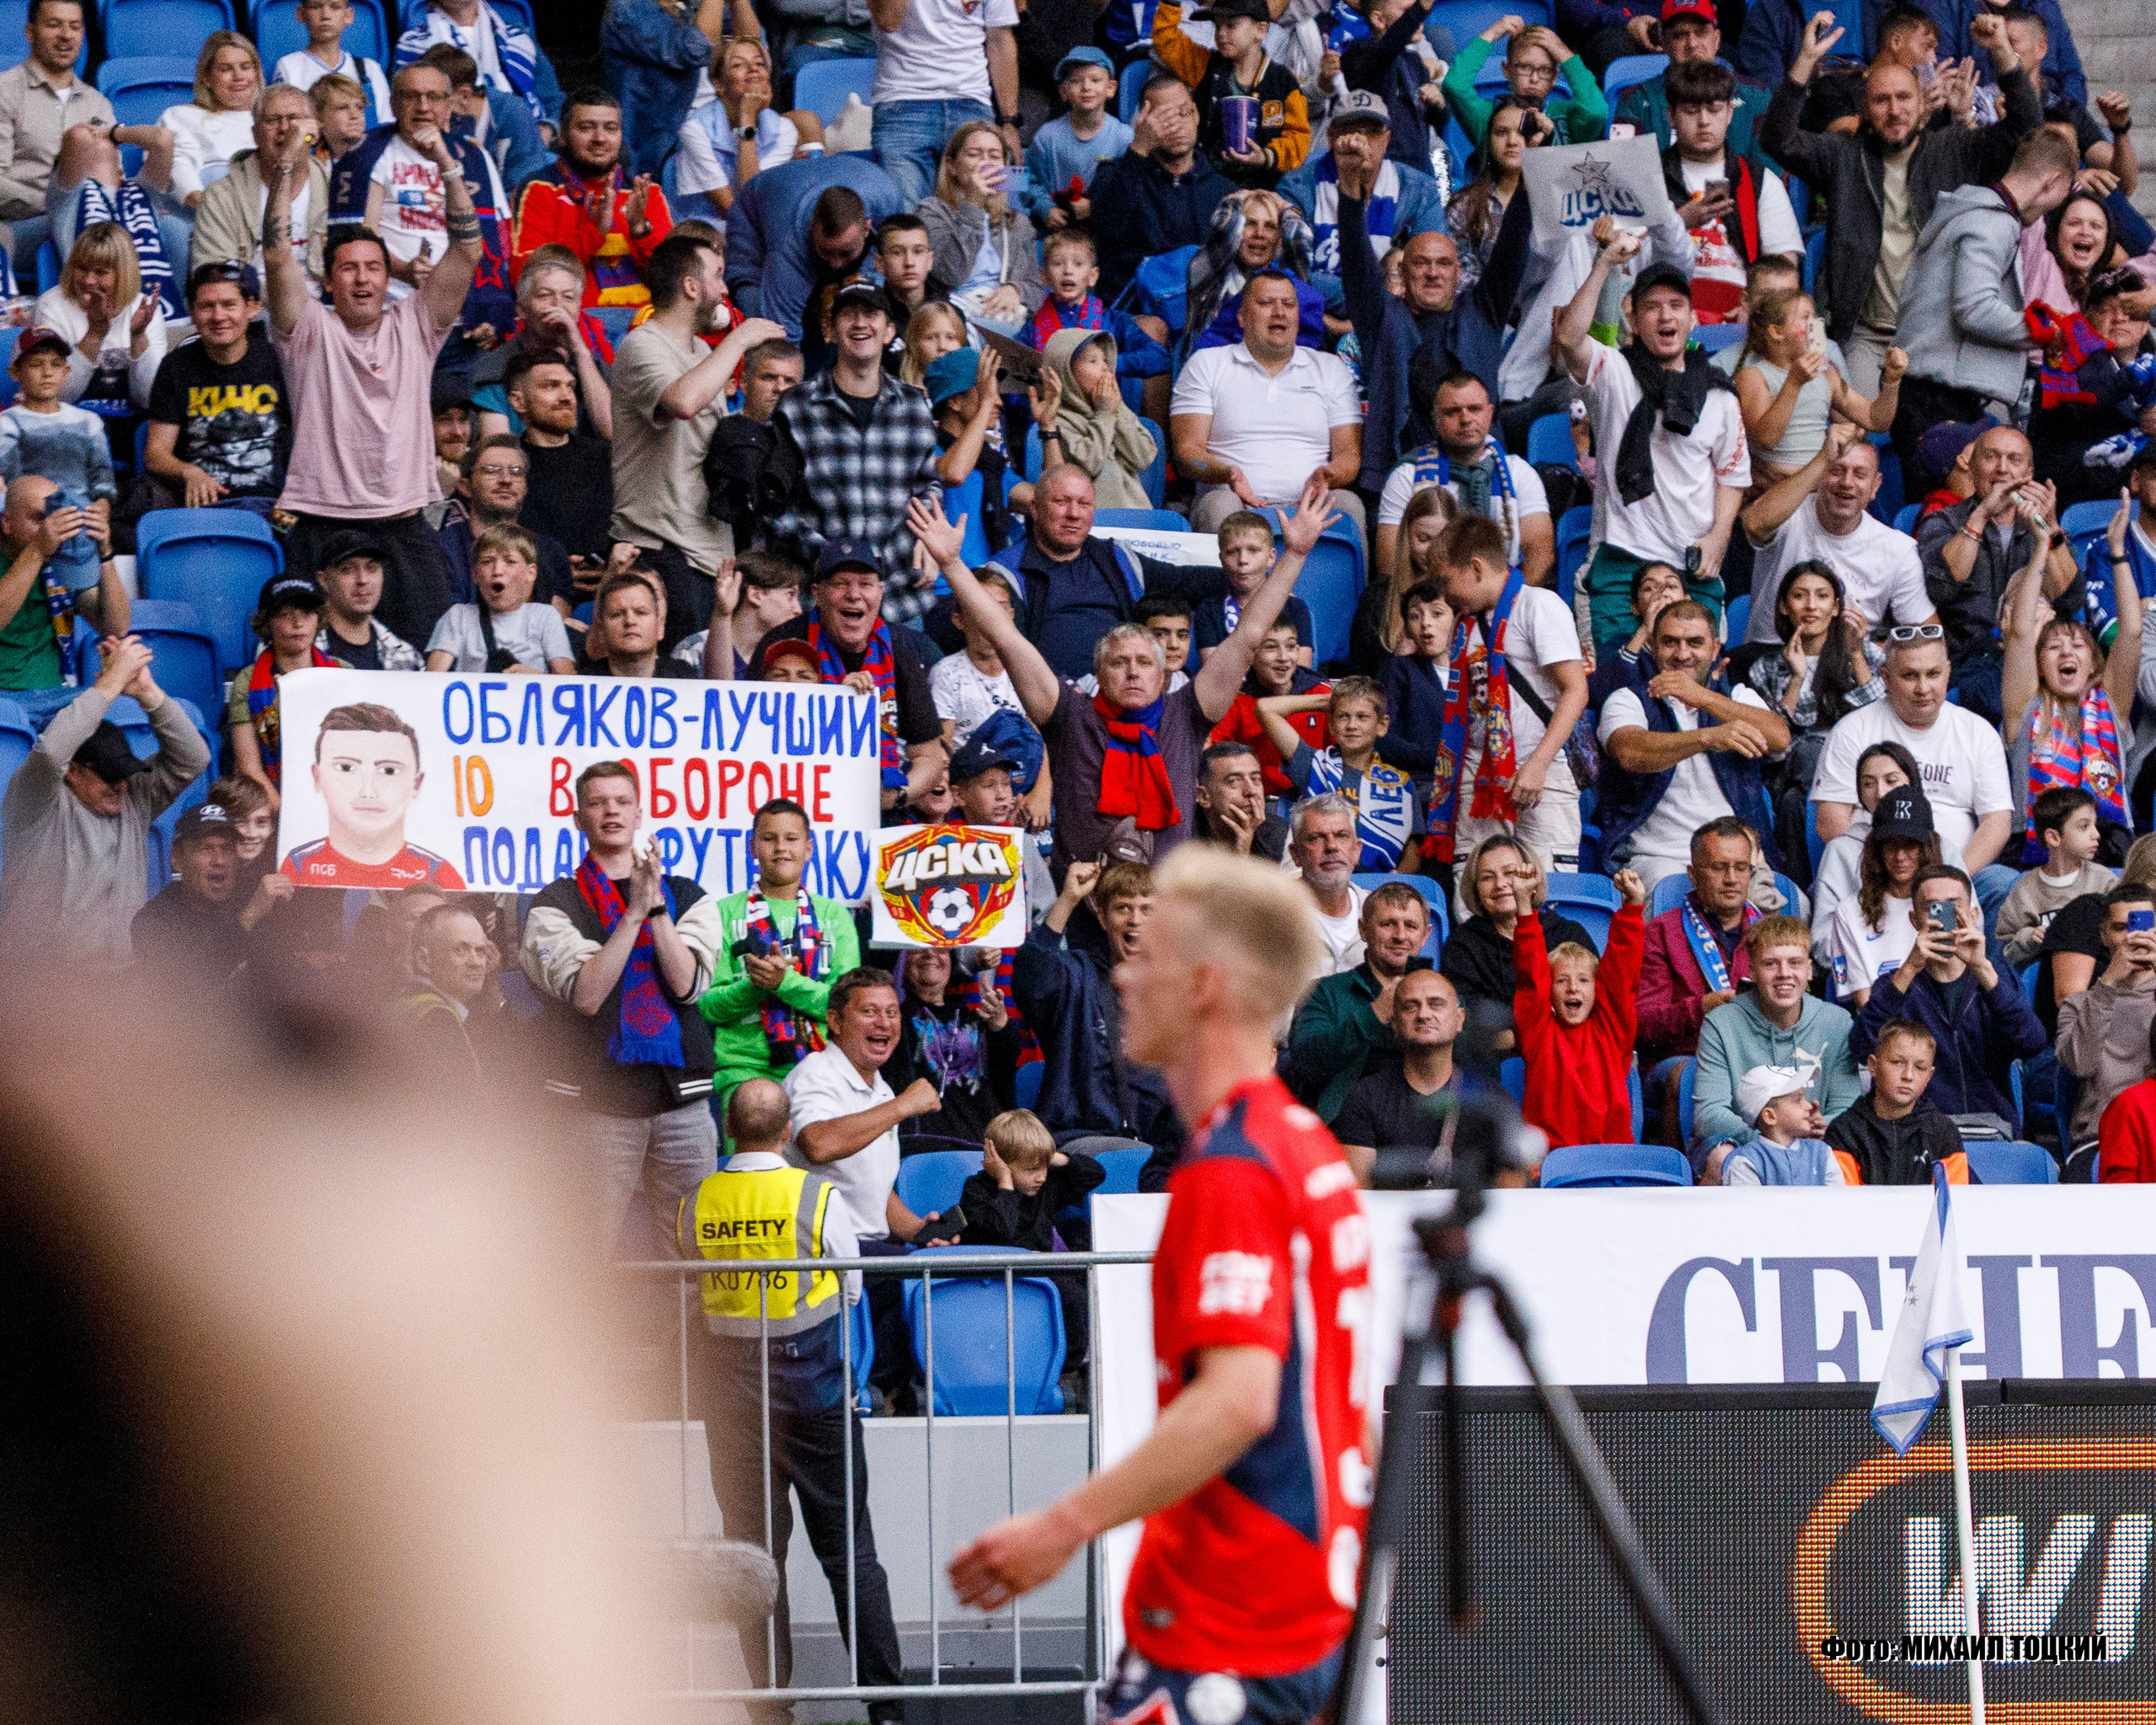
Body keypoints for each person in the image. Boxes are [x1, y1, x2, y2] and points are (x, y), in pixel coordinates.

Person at [951, 846, 1371, 1725]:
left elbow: (1239, 1401)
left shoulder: (1232, 1167)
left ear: (1207, 984)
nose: (1127, 973)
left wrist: (1059, 1525)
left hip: (1230, 1618)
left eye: (1151, 956)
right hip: (1290, 1604)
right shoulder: (1303, 1147)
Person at [914, 476, 1330, 877]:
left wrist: (1294, 555)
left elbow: (1248, 636)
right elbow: (1006, 637)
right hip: (1084, 903)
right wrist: (952, 564)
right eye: (1118, 662)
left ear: (1164, 671)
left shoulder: (1187, 711)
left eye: (1144, 662)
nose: (1133, 670)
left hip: (1167, 910)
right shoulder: (1070, 714)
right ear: (1098, 672)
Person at [674, 1076, 905, 1723]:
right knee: (851, 1555)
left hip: (732, 1403)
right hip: (818, 1397)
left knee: (754, 1561)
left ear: (727, 1129)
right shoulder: (817, 1197)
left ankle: (769, 1710)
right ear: (783, 1131)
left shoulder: (695, 1202)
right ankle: (888, 1709)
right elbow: (851, 1288)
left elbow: (694, 1285)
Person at [263, 115, 470, 646]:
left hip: (404, 523)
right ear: (329, 281)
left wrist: (445, 164)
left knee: (433, 658)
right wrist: (286, 173)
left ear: (389, 276)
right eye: (348, 268)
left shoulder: (417, 326)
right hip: (320, 523)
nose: (361, 278)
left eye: (373, 267)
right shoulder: (307, 329)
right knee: (307, 665)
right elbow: (274, 252)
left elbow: (467, 249)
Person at [1763, 8, 2039, 399]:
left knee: (1976, 437)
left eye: (1904, 98)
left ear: (1920, 100)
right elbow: (1778, 140)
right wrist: (1805, 61)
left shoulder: (1953, 150)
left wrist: (2003, 51)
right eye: (1881, 101)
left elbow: (2027, 130)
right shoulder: (1843, 155)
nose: (1894, 110)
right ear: (1865, 112)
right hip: (1866, 337)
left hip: (1938, 335)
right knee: (1856, 435)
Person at [519, 759, 722, 1242]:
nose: (611, 811)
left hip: (682, 1102)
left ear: (639, 813)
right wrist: (631, 917)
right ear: (578, 818)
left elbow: (687, 985)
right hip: (595, 1103)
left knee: (691, 1246)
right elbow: (588, 996)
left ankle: (684, 1324)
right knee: (585, 1248)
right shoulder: (554, 903)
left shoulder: (687, 895)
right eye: (597, 803)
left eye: (622, 802)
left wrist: (655, 909)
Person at [1561, 238, 1751, 650]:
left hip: (1692, 566)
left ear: (1693, 319)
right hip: (1620, 559)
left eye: (1676, 305)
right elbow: (1570, 338)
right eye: (1652, 306)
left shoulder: (1720, 394)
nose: (1665, 315)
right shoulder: (1613, 373)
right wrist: (1605, 263)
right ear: (1634, 322)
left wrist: (1720, 537)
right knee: (1616, 688)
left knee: (1698, 693)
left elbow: (1732, 477)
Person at [609, 230, 783, 647]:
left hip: (710, 558)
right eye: (718, 276)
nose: (725, 290)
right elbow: (683, 401)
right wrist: (740, 338)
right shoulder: (641, 344)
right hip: (662, 551)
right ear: (691, 286)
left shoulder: (705, 354)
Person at [0, 637, 210, 969]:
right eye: (108, 776)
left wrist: (148, 693)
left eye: (125, 773)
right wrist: (111, 684)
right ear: (73, 772)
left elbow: (194, 758)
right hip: (39, 987)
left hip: (116, 986)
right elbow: (51, 753)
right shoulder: (36, 802)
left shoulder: (133, 799)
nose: (121, 785)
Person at [1336, 149, 1533, 498]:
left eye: (1443, 264)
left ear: (1459, 272)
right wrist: (1351, 194)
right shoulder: (1380, 317)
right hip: (1396, 478)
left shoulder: (1482, 311)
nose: (1432, 273)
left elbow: (1514, 243)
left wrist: (1532, 161)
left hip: (1478, 476)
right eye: (1421, 263)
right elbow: (1355, 258)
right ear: (1403, 271)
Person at [1892, 127, 2078, 481]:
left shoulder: (1969, 210)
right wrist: (2046, 332)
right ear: (2051, 182)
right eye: (2061, 197)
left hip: (1928, 394)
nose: (2049, 211)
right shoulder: (1993, 222)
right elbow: (1975, 308)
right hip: (1939, 401)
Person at [1418, 512, 1588, 881]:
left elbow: (1576, 690)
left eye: (1447, 580)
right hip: (1478, 773)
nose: (1443, 592)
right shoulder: (1465, 625)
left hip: (1542, 767)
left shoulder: (1537, 605)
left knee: (1546, 893)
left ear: (1476, 568)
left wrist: (1538, 765)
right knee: (1475, 894)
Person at [1811, 628, 2019, 919]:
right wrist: (1889, 875)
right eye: (1910, 676)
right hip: (1875, 874)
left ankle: (1977, 965)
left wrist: (1945, 881)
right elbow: (1830, 823)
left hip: (1958, 874)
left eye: (1933, 674)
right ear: (1884, 677)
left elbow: (1996, 824)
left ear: (1948, 672)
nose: (1923, 687)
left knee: (2004, 886)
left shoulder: (1978, 733)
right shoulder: (1852, 730)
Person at [770, 281, 941, 621]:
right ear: (829, 331)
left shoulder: (914, 405)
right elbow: (774, 506)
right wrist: (834, 556)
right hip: (821, 598)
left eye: (871, 314)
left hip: (900, 597)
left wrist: (930, 531)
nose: (860, 323)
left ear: (890, 331)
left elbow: (928, 485)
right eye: (849, 315)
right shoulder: (795, 406)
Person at [1596, 601, 1788, 889]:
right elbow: (1628, 752)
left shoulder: (1736, 695)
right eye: (1670, 642)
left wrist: (1703, 697)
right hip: (1660, 858)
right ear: (1652, 646)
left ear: (1714, 648)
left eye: (1694, 642)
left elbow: (1778, 738)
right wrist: (1706, 737)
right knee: (1667, 892)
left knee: (1798, 905)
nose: (1682, 653)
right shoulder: (1627, 699)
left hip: (1739, 861)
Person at [976, 465, 1223, 683]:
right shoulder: (1006, 573)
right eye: (1061, 502)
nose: (1074, 513)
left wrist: (1253, 579)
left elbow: (1183, 581)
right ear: (1035, 509)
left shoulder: (1116, 557)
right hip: (1051, 701)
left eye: (1084, 504)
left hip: (1126, 692)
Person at [697, 796, 860, 1121]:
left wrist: (783, 983)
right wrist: (755, 988)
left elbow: (849, 1005)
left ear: (809, 848)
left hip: (822, 1070)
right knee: (753, 1172)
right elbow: (706, 1006)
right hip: (744, 1074)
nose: (780, 848)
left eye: (791, 839)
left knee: (820, 1171)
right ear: (752, 847)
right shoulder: (722, 913)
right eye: (769, 839)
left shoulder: (835, 916)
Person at [751, 539, 946, 810]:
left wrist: (896, 796)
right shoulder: (783, 642)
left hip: (880, 804)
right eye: (841, 583)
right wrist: (835, 700)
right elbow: (752, 736)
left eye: (865, 584)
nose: (854, 595)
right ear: (817, 593)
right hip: (796, 804)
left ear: (880, 593)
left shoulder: (899, 649)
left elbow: (929, 754)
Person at [1849, 864, 2049, 1123]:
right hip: (1919, 1131)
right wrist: (1909, 969)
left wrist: (1982, 968)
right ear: (1914, 919)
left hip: (1989, 1128)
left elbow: (2033, 1043)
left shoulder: (1996, 977)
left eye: (1954, 906)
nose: (1945, 917)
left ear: (1973, 914)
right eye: (1933, 908)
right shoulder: (1895, 984)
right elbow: (1861, 1047)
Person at [1170, 270, 1364, 537]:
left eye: (1288, 304)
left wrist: (1329, 475)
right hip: (1233, 503)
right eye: (1265, 303)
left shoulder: (1330, 369)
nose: (1279, 312)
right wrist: (1227, 475)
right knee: (1219, 504)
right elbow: (1187, 452)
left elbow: (1349, 455)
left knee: (1348, 504)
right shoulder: (1207, 364)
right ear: (1242, 316)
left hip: (1310, 507)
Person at [1916, 424, 2084, 726]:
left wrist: (2051, 529)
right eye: (1991, 457)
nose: (2002, 469)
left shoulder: (2041, 527)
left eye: (2014, 459)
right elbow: (1941, 588)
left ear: (2029, 473)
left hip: (2034, 664)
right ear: (1971, 465)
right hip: (1965, 666)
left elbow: (2070, 601)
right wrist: (1981, 515)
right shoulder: (1943, 521)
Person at [1011, 858, 1182, 1151]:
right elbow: (1033, 981)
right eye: (1123, 908)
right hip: (1078, 1139)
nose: (1135, 920)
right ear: (1103, 918)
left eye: (1147, 909)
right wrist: (1068, 900)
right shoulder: (1078, 973)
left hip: (1156, 1147)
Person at [1689, 916, 1867, 1180]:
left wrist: (1815, 1126)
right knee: (1721, 1156)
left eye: (1794, 963)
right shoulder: (1721, 1023)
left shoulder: (1837, 1022)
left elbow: (1847, 1106)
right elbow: (1709, 1113)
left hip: (1816, 1142)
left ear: (1809, 970)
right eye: (1770, 963)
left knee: (1841, 1158)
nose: (1784, 973)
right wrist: (1773, 1138)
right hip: (1743, 1141)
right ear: (1753, 971)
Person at [2002, 516, 2140, 857]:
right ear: (2040, 667)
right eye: (2053, 647)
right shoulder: (2025, 707)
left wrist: (2118, 553)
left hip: (2107, 845)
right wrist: (2039, 549)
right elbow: (2020, 634)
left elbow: (2133, 632)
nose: (2066, 650)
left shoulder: (2111, 704)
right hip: (2037, 849)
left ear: (2093, 663)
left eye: (2078, 646)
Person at [786, 964, 949, 1247]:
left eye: (891, 1012)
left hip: (869, 1249)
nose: (884, 1023)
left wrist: (918, 1230)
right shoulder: (815, 1074)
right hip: (822, 1251)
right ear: (835, 1022)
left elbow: (872, 1189)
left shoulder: (881, 1090)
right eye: (869, 1011)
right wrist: (903, 1106)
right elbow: (818, 1144)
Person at [1744, 557, 1888, 873]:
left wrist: (1855, 655)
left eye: (1822, 596)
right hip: (1792, 771)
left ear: (1837, 607)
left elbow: (1881, 721)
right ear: (1784, 606)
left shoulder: (1869, 655)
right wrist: (1796, 678)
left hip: (1860, 766)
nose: (1811, 605)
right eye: (1799, 596)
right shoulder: (1765, 668)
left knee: (1799, 801)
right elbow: (1773, 748)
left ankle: (1808, 885)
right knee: (1809, 756)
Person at [1741, 423, 1933, 645]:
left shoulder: (1898, 550)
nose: (1847, 483)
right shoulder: (1788, 514)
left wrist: (1869, 652)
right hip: (1771, 659)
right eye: (1836, 470)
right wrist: (1823, 458)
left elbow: (1927, 637)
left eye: (1859, 474)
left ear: (1876, 486)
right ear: (1819, 476)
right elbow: (1753, 524)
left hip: (1846, 667)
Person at [140, 261, 291, 517]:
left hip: (274, 503)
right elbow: (155, 454)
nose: (219, 317)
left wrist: (296, 493)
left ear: (252, 307)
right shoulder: (176, 366)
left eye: (229, 305)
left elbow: (308, 440)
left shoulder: (278, 360)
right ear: (192, 311)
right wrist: (188, 472)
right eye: (207, 306)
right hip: (203, 506)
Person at [1513, 867, 1646, 1149]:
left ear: (1597, 989)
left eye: (1584, 980)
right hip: (1550, 1166)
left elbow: (1622, 976)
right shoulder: (1538, 1033)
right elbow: (1531, 977)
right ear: (1549, 992)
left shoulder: (1612, 1033)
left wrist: (1632, 909)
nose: (1573, 987)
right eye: (1561, 980)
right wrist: (1525, 908)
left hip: (1609, 1163)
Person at [1375, 370, 1552, 582]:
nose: (1466, 419)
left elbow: (1540, 553)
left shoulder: (1519, 473)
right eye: (1452, 412)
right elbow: (1390, 563)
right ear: (1436, 420)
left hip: (1503, 603)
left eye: (1475, 409)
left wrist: (1509, 608)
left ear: (1489, 414)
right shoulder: (1407, 476)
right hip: (1430, 603)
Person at [1281, 879, 1433, 1121]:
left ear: (1426, 935)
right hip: (1347, 1129)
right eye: (1388, 924)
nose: (1400, 936)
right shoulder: (1324, 992)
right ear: (1363, 930)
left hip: (1424, 1126)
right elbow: (1305, 1064)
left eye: (1411, 926)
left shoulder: (1444, 997)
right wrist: (1374, 1015)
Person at [510, 88, 671, 314]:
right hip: (575, 322)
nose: (600, 138)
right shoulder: (540, 190)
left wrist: (640, 230)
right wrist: (593, 234)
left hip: (648, 323)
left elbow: (672, 283)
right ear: (563, 136)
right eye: (586, 128)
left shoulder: (646, 193)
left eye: (611, 129)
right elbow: (527, 277)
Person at [278, 700, 466, 888]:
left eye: (389, 771)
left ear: (416, 783)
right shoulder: (299, 865)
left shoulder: (439, 874)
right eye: (345, 767)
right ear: (317, 777)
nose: (367, 791)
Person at [1086, 75, 1236, 304]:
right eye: (1163, 117)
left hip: (1201, 306)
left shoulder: (1222, 187)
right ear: (1144, 121)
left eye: (1183, 113)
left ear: (1196, 115)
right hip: (1134, 304)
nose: (1176, 126)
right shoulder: (1115, 173)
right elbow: (1106, 227)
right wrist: (1139, 149)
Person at [1437, 834, 1591, 1055]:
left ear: (1532, 879)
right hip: (1492, 1068)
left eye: (1510, 873)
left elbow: (1593, 1004)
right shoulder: (1463, 944)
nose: (1500, 884)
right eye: (1487, 877)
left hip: (1567, 1053)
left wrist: (1515, 1034)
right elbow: (1467, 1022)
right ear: (1476, 890)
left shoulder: (1569, 934)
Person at [723, 158, 902, 345]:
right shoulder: (789, 246)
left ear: (867, 229)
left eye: (845, 253)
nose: (836, 264)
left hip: (854, 181)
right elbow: (782, 336)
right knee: (761, 322)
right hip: (755, 222)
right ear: (812, 227)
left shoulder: (886, 202)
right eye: (827, 251)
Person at [1637, 817, 1766, 1073]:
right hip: (1688, 1057)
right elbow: (1642, 1026)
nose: (1731, 879)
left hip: (1758, 1056)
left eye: (1741, 868)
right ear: (1693, 875)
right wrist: (1702, 1007)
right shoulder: (1663, 931)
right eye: (1719, 867)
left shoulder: (1768, 933)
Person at [867, 0, 1022, 210]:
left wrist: (1009, 121)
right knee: (905, 222)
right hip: (902, 102)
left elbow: (1001, 40)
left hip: (973, 101)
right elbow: (887, 20)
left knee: (990, 212)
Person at [1733, 292, 1903, 483]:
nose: (1816, 327)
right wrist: (1794, 383)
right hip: (1776, 491)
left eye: (1816, 318)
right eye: (1806, 319)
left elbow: (1875, 420)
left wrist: (1892, 380)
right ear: (1777, 332)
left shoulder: (1827, 376)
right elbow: (1767, 438)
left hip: (1821, 489)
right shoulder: (1753, 376)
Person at [1331, 966, 1473, 1184]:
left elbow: (1510, 1197)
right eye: (1410, 1006)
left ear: (1459, 1018)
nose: (1424, 1015)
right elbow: (1359, 1192)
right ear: (1395, 1024)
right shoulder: (1365, 1097)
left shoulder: (1489, 1100)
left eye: (1436, 1004)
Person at [1258, 676, 1418, 871]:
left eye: (1362, 717)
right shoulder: (1314, 764)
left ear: (1382, 725)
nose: (1352, 725)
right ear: (1331, 725)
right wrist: (1326, 701)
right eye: (1343, 716)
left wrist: (1397, 877)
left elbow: (1413, 848)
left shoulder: (1401, 783)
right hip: (1320, 873)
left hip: (1378, 883)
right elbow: (1265, 709)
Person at [0, 0, 112, 274]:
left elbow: (112, 176)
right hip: (23, 226)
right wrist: (59, 202)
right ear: (30, 32)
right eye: (54, 25)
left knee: (169, 226)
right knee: (80, 216)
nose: (66, 35)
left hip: (93, 220)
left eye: (74, 27)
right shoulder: (5, 91)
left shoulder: (97, 104)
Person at [1150, 0, 1310, 189]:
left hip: (1262, 191)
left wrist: (1267, 156)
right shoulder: (1205, 65)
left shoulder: (1283, 82)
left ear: (1261, 30)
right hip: (1205, 184)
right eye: (1217, 26)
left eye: (1231, 25)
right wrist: (1171, 3)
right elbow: (1166, 40)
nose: (1221, 33)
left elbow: (1299, 138)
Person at [2053, 880, 2156, 1166]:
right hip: (2100, 1137)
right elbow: (2079, 1064)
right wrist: (2108, 983)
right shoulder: (2079, 1003)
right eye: (2121, 928)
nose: (2132, 936)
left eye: (2143, 925)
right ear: (2104, 935)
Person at [0, 473, 122, 711]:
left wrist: (104, 553)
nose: (50, 528)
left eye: (54, 518)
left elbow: (115, 628)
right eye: (39, 519)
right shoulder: (42, 549)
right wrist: (37, 550)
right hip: (3, 701)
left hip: (56, 695)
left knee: (112, 735)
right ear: (6, 522)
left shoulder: (61, 559)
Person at [189, 84, 329, 289]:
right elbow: (213, 278)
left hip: (326, 309)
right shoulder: (220, 197)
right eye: (272, 120)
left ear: (314, 131)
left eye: (293, 119)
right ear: (255, 134)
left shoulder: (337, 188)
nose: (284, 128)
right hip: (254, 312)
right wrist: (287, 162)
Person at [670, 35, 822, 220]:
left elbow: (754, 201)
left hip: (757, 225)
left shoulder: (783, 129)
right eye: (738, 65)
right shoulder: (695, 129)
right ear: (718, 83)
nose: (753, 70)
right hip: (701, 227)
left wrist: (747, 120)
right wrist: (747, 123)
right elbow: (734, 210)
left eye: (760, 64)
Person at [885, 944, 1023, 1144]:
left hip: (985, 1145)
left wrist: (1000, 1025)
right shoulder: (894, 1021)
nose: (930, 953)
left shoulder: (976, 1019)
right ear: (901, 960)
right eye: (917, 948)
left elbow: (1004, 1073)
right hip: (924, 1147)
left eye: (941, 949)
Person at [919, 122, 1045, 337]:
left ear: (1005, 166)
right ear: (952, 166)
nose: (985, 163)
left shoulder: (1018, 223)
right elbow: (950, 274)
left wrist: (1016, 290)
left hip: (1004, 323)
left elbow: (1036, 289)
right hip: (951, 323)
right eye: (974, 154)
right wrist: (974, 205)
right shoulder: (931, 211)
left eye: (994, 156)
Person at [1823, 783, 1938, 1008]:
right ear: (1877, 849)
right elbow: (1865, 1006)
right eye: (1890, 845)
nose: (1900, 856)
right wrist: (1910, 967)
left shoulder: (1945, 903)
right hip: (1885, 1032)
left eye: (1910, 845)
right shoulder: (1850, 912)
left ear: (1926, 848)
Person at [1615, 0, 1773, 160]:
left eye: (1701, 32)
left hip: (1739, 185)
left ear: (1717, 39)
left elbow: (1768, 171)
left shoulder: (1755, 96)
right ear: (1664, 42)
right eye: (1680, 35)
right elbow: (1629, 173)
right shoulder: (1636, 98)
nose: (1692, 44)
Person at [34, 219, 165, 409]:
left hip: (131, 424)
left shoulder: (142, 309)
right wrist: (95, 334)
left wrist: (138, 337)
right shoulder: (51, 307)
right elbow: (55, 397)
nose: (88, 280)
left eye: (100, 272)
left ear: (123, 274)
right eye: (82, 269)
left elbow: (150, 400)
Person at [227, 573, 334, 805]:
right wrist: (288, 817)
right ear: (267, 622)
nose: (298, 623)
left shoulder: (342, 671)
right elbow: (249, 768)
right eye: (286, 614)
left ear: (319, 618)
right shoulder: (248, 681)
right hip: (273, 803)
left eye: (307, 613)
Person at [504, 353, 612, 569]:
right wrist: (554, 572)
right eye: (551, 386)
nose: (567, 397)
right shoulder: (507, 467)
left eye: (570, 387)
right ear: (519, 401)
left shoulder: (604, 457)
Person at [438, 434, 574, 606]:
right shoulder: (441, 548)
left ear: (525, 487)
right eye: (492, 470)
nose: (506, 480)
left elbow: (555, 621)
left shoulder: (549, 552)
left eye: (516, 472)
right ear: (466, 486)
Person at [393, 0, 563, 136]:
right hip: (452, 141)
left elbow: (554, 100)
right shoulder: (412, 45)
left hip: (526, 138)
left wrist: (547, 130)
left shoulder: (519, 38)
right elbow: (404, 108)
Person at [1038, 328, 1159, 512]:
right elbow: (1089, 467)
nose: (1105, 368)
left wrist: (1116, 410)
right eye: (1093, 361)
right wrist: (1104, 415)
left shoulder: (1114, 407)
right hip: (1093, 523)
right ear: (1066, 373)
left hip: (1137, 519)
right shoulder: (1059, 421)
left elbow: (1143, 457)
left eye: (1105, 360)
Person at [129, 799, 248, 984]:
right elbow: (186, 995)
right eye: (205, 848)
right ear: (177, 858)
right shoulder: (153, 924)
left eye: (227, 849)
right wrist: (247, 921)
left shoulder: (245, 902)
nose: (219, 860)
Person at [1444, 16, 1604, 149]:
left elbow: (1596, 111)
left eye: (1544, 70)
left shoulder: (1567, 115)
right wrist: (1491, 34)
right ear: (1507, 70)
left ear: (1555, 77)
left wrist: (1566, 56)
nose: (1534, 79)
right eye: (1525, 68)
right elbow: (1455, 85)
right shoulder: (1489, 115)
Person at [0, 323, 113, 509]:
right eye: (36, 364)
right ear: (15, 373)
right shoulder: (8, 423)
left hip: (82, 513)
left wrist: (102, 507)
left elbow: (103, 480)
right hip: (29, 513)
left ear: (66, 372)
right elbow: (8, 481)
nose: (47, 373)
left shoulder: (88, 421)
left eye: (56, 364)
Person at [1022, 48, 1131, 228]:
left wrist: (1097, 206)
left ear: (1110, 88)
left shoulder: (1124, 137)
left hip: (1106, 234)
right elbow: (1028, 179)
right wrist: (1046, 209)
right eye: (1076, 81)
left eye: (1095, 80)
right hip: (1060, 232)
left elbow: (1130, 189)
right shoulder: (1047, 136)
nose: (1086, 87)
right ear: (1064, 91)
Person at [161, 31, 263, 211]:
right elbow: (177, 165)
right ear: (207, 78)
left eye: (246, 67)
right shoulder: (181, 116)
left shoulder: (275, 119)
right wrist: (208, 209)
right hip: (205, 212)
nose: (238, 76)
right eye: (226, 69)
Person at [399, 898, 499, 1081]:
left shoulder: (413, 1002)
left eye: (480, 951)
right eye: (460, 950)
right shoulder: (436, 1020)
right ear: (424, 960)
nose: (476, 962)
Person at [312, 528, 423, 671]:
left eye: (371, 568)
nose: (362, 580)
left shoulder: (407, 657)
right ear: (324, 580)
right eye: (347, 569)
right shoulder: (302, 650)